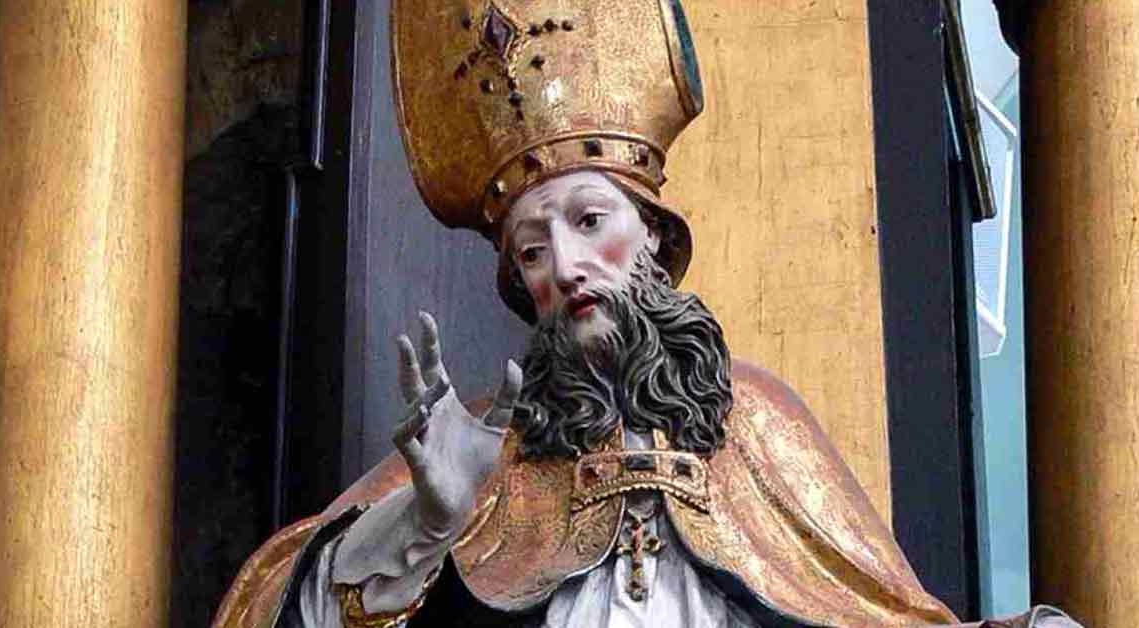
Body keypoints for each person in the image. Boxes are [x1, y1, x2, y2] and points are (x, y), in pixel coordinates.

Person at [213, 2, 1080, 626]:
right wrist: (424, 524)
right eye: (531, 251)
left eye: (590, 221)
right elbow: (268, 606)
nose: (565, 265)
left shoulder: (759, 425)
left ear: (655, 238)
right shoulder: (481, 451)